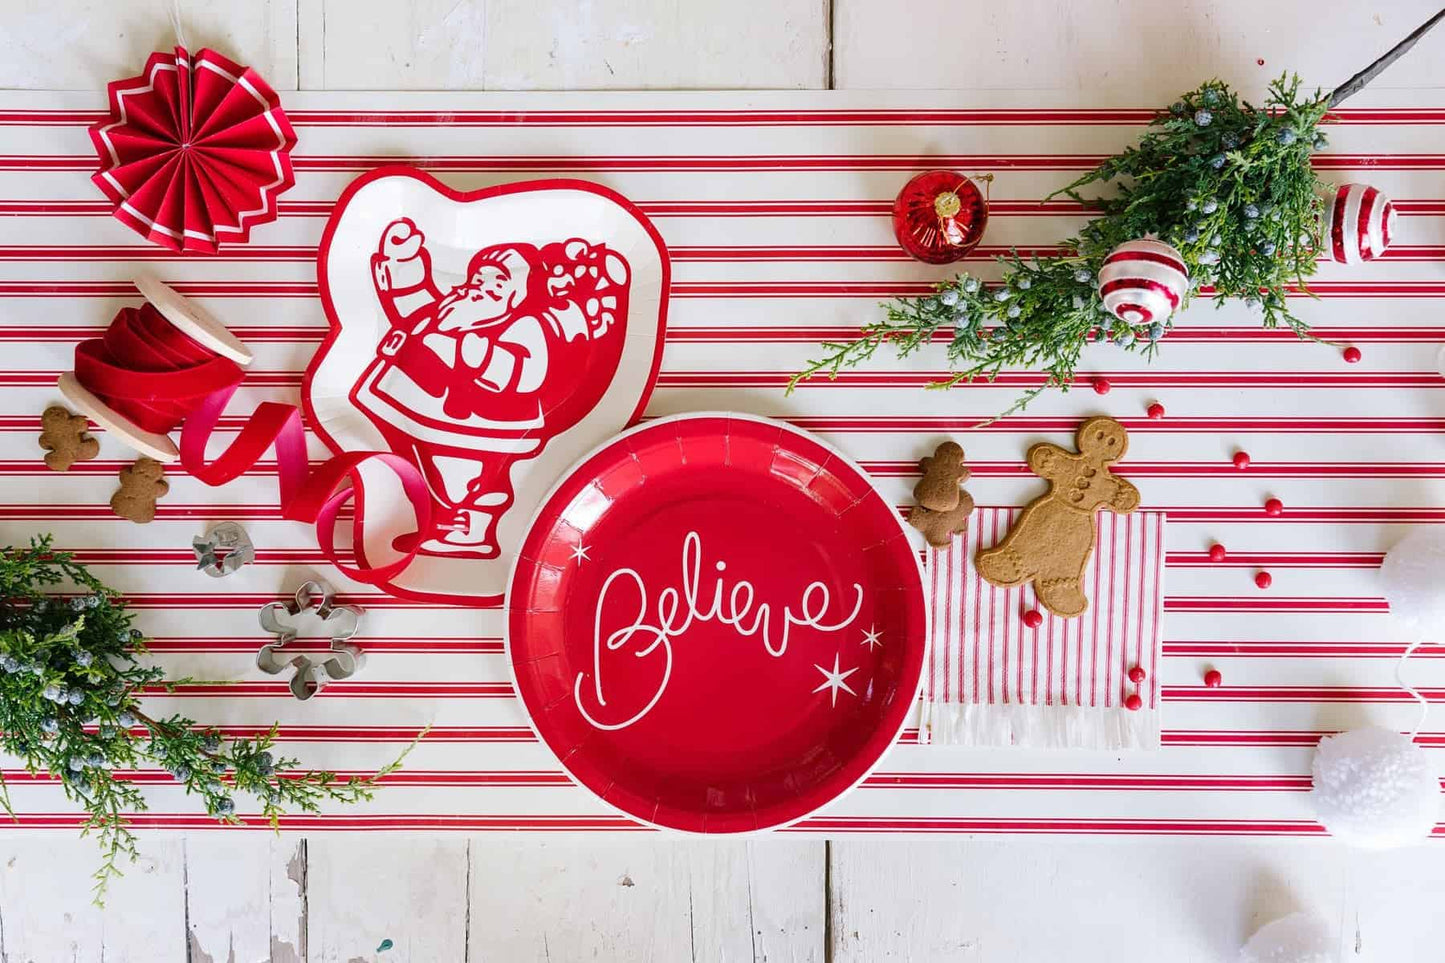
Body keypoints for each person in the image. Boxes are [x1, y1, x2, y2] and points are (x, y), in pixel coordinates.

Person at [350, 217, 630, 558]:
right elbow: (416, 306)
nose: (482, 285)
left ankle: (472, 532)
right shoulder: (454, 309)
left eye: (498, 280)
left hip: (488, 425)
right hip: (434, 413)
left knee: (475, 483)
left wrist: (476, 354)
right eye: (479, 276)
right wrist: (404, 264)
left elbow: (525, 368)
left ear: (522, 292)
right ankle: (438, 525)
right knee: (436, 478)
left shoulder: (526, 325)